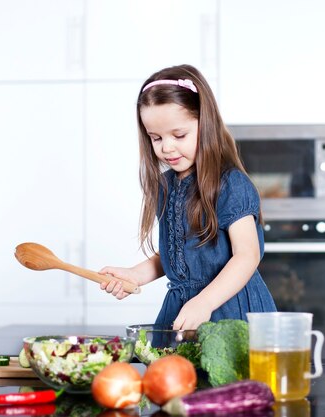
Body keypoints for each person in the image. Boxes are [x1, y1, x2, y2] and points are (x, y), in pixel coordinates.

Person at [99, 64, 276, 331]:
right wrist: (135, 275)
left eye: (179, 135)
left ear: (205, 125)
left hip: (231, 310)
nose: (166, 147)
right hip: (183, 307)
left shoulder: (231, 184)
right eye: (155, 138)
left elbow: (247, 255)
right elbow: (179, 252)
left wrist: (204, 302)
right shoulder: (166, 186)